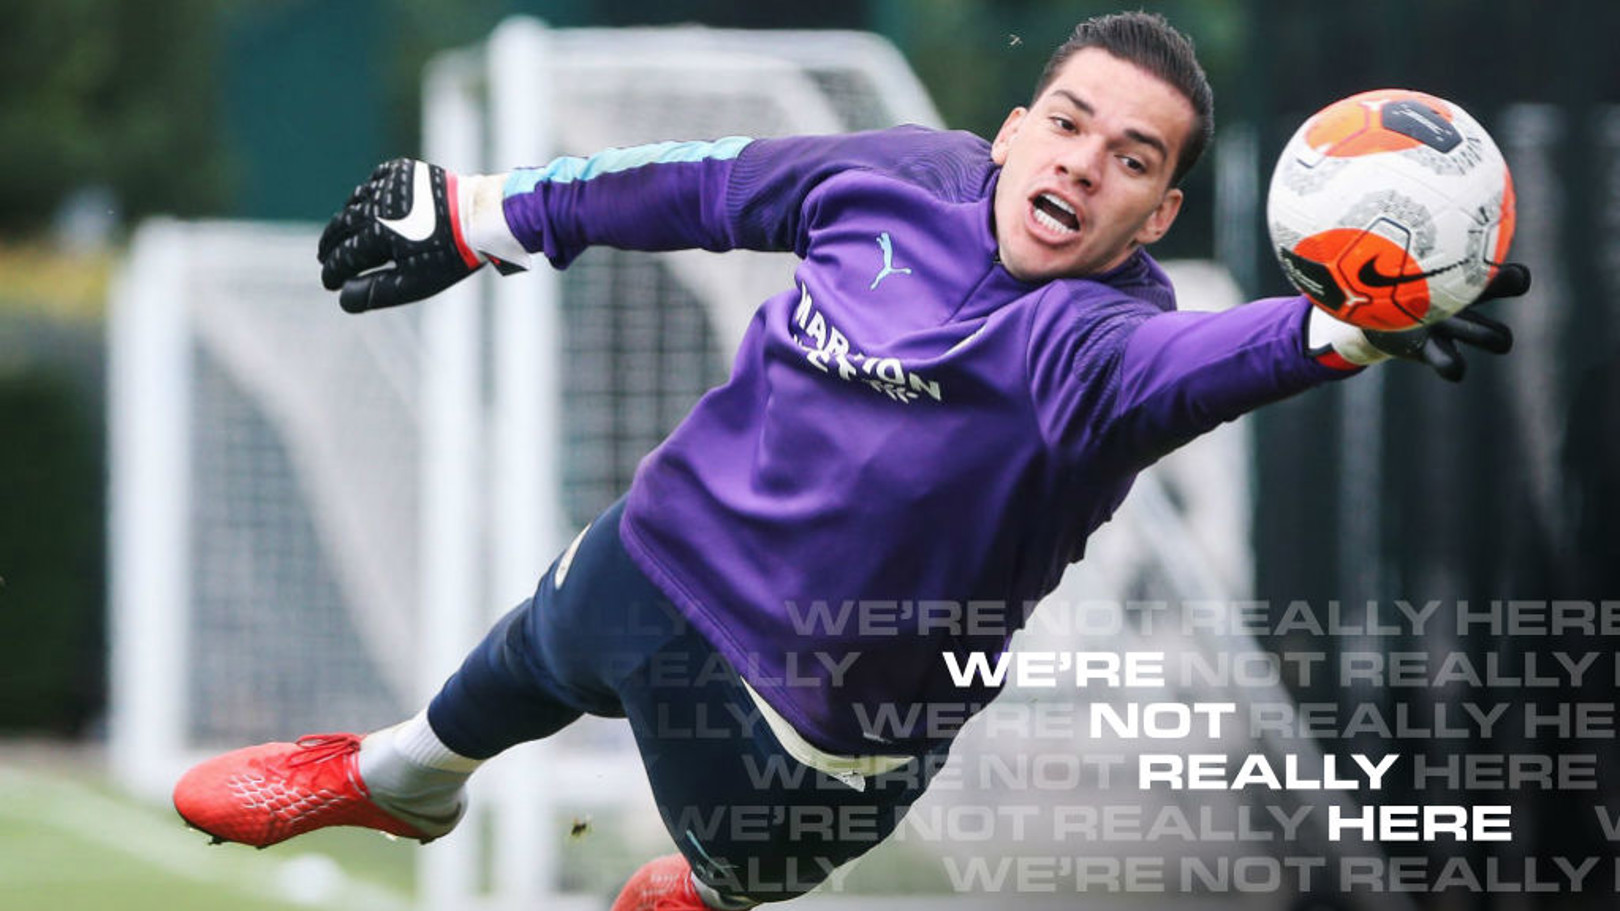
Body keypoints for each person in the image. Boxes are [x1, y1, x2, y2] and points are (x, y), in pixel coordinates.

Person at [172, 11, 1528, 910]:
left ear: (1156, 213)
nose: (1081, 164)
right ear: (1013, 128)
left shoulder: (1105, 350)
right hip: (663, 563)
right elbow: (705, 184)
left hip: (805, 743)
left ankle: (702, 892)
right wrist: (485, 216)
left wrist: (1340, 329)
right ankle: (400, 777)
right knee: (555, 630)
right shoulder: (895, 175)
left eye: (1129, 160)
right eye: (1066, 122)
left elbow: (1229, 358)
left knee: (722, 873)